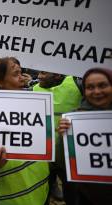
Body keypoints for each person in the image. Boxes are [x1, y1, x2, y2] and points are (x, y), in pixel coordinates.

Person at [0, 56, 50, 205]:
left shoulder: (34, 104)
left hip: (41, 190)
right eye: (15, 74)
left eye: (21, 73)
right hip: (8, 197)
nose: (22, 79)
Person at [57, 67, 112, 205]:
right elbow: (62, 164)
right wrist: (63, 138)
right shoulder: (75, 119)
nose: (97, 91)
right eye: (90, 87)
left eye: (102, 85)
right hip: (87, 195)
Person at [32, 71, 83, 203]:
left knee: (72, 194)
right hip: (44, 153)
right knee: (44, 192)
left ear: (57, 75)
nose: (39, 76)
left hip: (68, 154)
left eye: (43, 73)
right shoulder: (33, 88)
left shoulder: (78, 84)